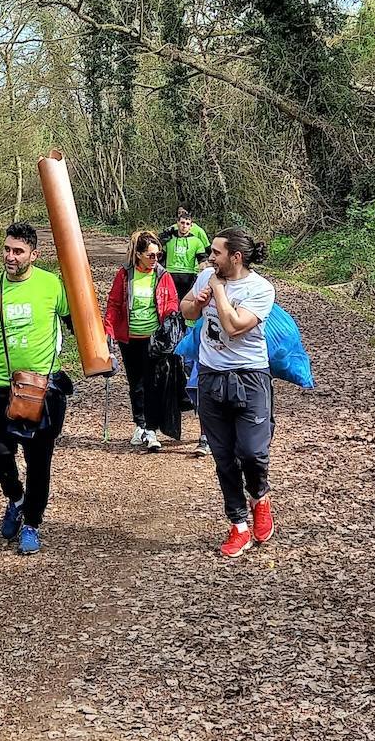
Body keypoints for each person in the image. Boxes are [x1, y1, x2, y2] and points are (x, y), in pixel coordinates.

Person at [0, 222, 71, 557]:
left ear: (34, 254)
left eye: (18, 251)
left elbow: (75, 322)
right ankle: (16, 499)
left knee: (38, 460)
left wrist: (100, 348)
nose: (10, 256)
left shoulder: (51, 285)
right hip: (0, 388)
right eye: (7, 249)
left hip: (42, 390)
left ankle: (32, 524)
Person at [181, 228, 276, 559]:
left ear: (235, 257)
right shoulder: (206, 275)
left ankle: (260, 497)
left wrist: (218, 292)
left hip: (250, 377)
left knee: (251, 451)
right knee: (223, 457)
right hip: (211, 377)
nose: (210, 258)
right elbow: (187, 311)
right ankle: (238, 525)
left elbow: (235, 326)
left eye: (216, 253)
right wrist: (198, 300)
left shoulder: (260, 289)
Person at [103, 228, 179, 451]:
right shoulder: (125, 275)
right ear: (138, 254)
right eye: (151, 255)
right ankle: (140, 424)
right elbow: (114, 304)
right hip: (130, 338)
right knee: (136, 383)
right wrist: (108, 330)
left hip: (154, 339)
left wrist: (169, 324)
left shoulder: (163, 275)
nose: (155, 259)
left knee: (153, 383)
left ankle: (151, 429)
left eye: (158, 255)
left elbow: (172, 302)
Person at [159, 208, 211, 301]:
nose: (184, 226)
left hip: (188, 275)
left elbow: (202, 259)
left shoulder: (196, 241)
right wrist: (161, 240)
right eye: (182, 223)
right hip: (171, 273)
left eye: (187, 224)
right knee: (170, 301)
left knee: (185, 301)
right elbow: (160, 256)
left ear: (191, 226)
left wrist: (203, 269)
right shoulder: (169, 239)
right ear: (177, 223)